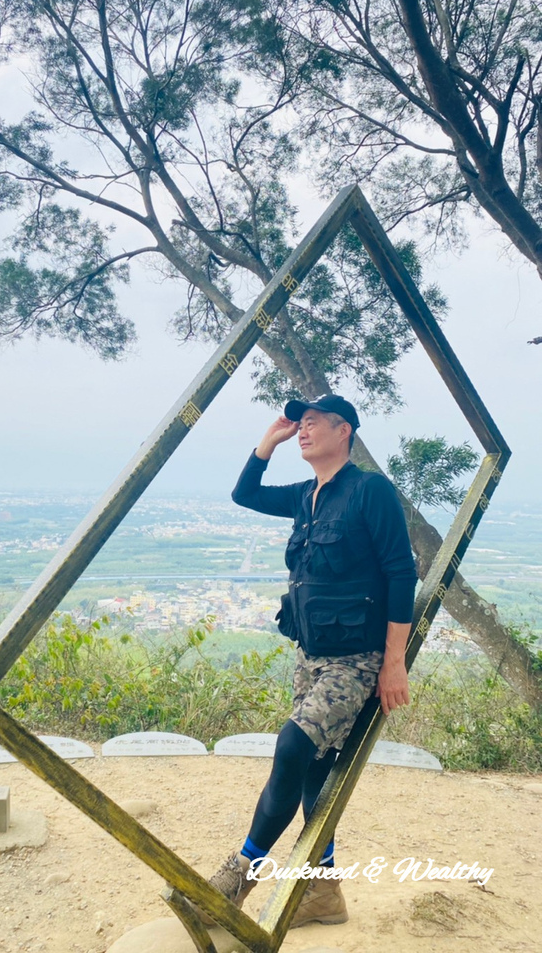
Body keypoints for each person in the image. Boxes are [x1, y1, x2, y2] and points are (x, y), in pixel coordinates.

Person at [200, 395, 417, 928]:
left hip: (358, 660)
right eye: (299, 424)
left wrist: (394, 663)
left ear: (344, 430)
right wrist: (267, 441)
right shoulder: (306, 496)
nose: (303, 430)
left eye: (313, 422)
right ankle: (323, 893)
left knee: (292, 746)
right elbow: (244, 493)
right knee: (312, 771)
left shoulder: (370, 492)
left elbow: (401, 574)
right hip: (312, 657)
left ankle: (238, 876)